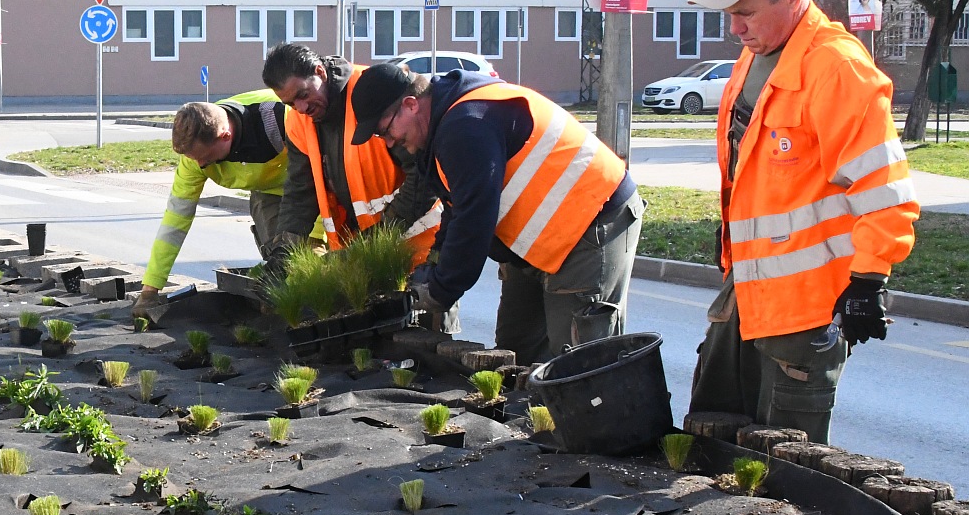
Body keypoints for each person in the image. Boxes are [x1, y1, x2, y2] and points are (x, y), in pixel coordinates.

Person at [685, 0, 917, 443]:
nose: (734, 28)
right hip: (745, 293)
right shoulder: (754, 59)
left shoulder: (836, 68)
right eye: (729, 14)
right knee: (712, 437)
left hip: (806, 309)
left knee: (787, 468)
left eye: (744, 12)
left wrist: (867, 282)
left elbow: (885, 192)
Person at [353, 61, 644, 365]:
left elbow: (473, 219)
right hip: (539, 240)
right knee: (516, 348)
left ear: (410, 105)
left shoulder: (465, 124)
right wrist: (435, 265)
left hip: (591, 220)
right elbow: (456, 208)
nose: (389, 142)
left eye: (385, 131)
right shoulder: (445, 125)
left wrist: (441, 288)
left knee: (578, 360)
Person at [261, 43, 443, 268]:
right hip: (361, 258)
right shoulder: (298, 122)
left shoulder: (372, 93)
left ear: (320, 72)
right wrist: (283, 251)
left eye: (304, 94)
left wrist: (375, 240)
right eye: (290, 103)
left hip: (418, 250)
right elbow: (300, 191)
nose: (301, 107)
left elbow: (424, 178)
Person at [133, 89, 292, 318]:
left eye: (205, 157)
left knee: (314, 254)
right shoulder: (195, 157)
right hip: (268, 191)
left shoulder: (279, 117)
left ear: (225, 136)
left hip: (315, 181)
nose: (199, 164)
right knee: (282, 266)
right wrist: (151, 288)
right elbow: (176, 220)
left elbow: (320, 176)